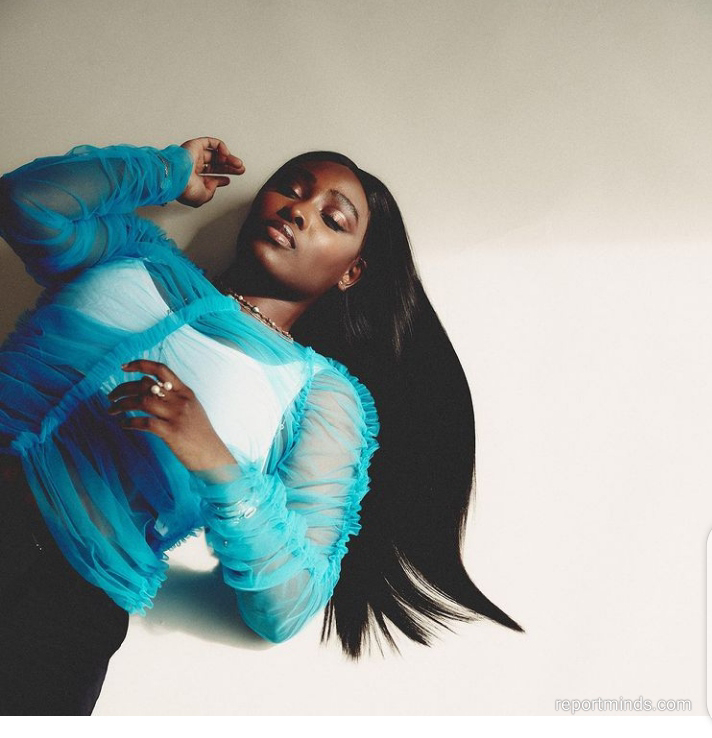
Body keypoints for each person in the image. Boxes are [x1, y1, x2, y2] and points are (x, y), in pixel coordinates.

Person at [0, 137, 521, 715]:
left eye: (333, 219)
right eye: (290, 190)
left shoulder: (316, 393)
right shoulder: (136, 251)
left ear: (351, 272)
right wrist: (169, 170)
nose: (298, 211)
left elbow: (287, 607)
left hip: (53, 599)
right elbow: (24, 201)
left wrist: (215, 461)